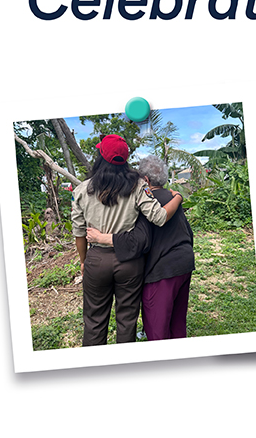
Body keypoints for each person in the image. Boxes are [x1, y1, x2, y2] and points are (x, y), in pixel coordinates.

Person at [71, 135, 183, 346]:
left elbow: (78, 232)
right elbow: (159, 217)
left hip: (97, 259)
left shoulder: (82, 190)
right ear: (125, 159)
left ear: (99, 157)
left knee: (94, 321)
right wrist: (178, 197)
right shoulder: (138, 185)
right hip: (129, 261)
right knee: (127, 320)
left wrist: (84, 260)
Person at [85, 156, 195, 340]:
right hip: (184, 263)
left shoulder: (146, 203)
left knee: (156, 327)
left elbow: (138, 241)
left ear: (145, 181)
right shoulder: (172, 197)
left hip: (163, 270)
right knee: (177, 321)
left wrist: (101, 238)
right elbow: (188, 232)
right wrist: (178, 197)